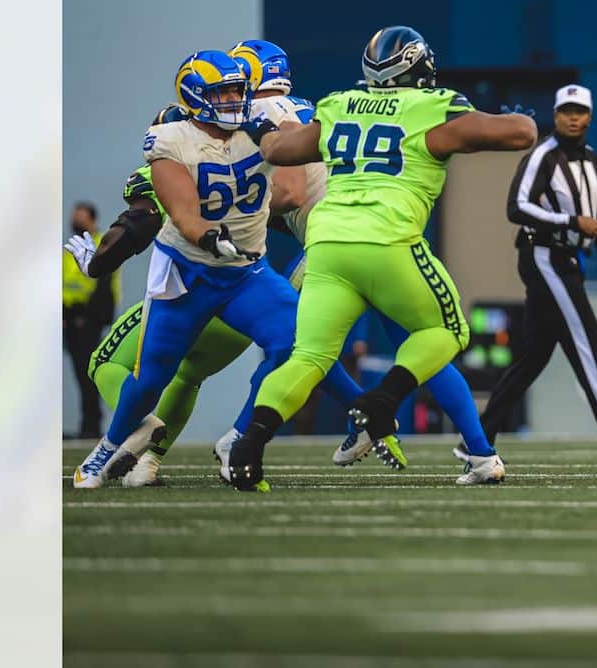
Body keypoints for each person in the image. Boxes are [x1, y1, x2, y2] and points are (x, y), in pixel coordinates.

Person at [226, 26, 538, 491]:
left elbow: (277, 148)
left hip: (328, 245)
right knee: (448, 331)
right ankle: (383, 401)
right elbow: (523, 133)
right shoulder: (433, 107)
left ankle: (249, 444)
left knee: (308, 356)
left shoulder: (339, 104)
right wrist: (506, 121)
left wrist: (263, 126)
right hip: (388, 239)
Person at [72, 51, 304, 489]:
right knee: (150, 381)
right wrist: (207, 235)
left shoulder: (257, 124)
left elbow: (291, 157)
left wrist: (331, 131)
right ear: (196, 98)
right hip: (188, 273)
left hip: (244, 273)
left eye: (239, 89)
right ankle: (108, 446)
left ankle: (240, 437)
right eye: (225, 92)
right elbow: (180, 211)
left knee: (299, 343)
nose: (237, 98)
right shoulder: (169, 139)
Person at [474, 84, 597, 465]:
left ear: (590, 116)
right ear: (557, 114)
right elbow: (517, 207)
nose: (573, 118)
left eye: (580, 112)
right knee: (589, 347)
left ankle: (476, 439)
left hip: (567, 259)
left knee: (532, 357)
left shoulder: (594, 162)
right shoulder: (543, 156)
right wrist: (569, 220)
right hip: (544, 255)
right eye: (566, 111)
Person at [63, 202, 117, 438]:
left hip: (88, 318)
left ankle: (92, 426)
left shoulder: (103, 243)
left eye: (80, 217)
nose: (74, 220)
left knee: (88, 372)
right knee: (79, 371)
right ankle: (88, 425)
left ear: (92, 220)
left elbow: (104, 284)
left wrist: (89, 316)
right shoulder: (70, 248)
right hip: (70, 318)